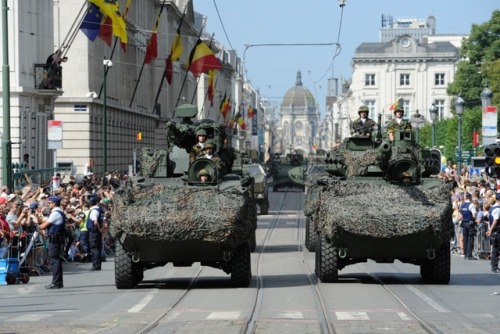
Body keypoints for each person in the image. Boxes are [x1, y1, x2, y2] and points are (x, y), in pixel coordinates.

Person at [38, 195, 66, 289]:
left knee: (54, 260)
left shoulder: (55, 213)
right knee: (56, 260)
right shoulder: (58, 212)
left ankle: (56, 282)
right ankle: (58, 282)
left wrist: (37, 224)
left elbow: (43, 226)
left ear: (53, 203)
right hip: (56, 238)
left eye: (49, 203)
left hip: (54, 239)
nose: (48, 204)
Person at [87, 196, 105, 271]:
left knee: (94, 248)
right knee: (98, 248)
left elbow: (95, 222)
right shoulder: (100, 210)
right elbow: (103, 221)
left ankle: (96, 265)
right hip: (98, 231)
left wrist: (99, 229)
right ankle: (98, 264)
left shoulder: (94, 211)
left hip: (94, 231)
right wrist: (102, 229)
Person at [460, 193, 477, 260]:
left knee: (465, 238)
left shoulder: (462, 204)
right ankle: (469, 255)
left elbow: (461, 212)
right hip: (469, 223)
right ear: (470, 197)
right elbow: (474, 215)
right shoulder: (471, 204)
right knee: (470, 239)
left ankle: (465, 253)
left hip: (464, 223)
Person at [486, 193, 500, 273]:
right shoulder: (498, 209)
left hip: (494, 231)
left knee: (495, 249)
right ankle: (494, 266)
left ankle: (494, 265)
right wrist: (490, 230)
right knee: (496, 249)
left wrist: (489, 229)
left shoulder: (492, 208)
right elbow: (495, 220)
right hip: (497, 231)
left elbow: (489, 221)